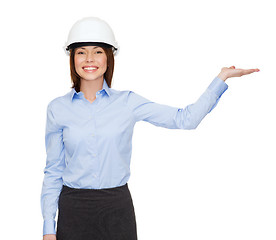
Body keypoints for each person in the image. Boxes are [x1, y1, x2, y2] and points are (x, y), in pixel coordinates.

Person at [40, 17, 260, 240]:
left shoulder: (128, 103)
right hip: (73, 209)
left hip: (116, 208)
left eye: (97, 51)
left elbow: (185, 119)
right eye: (81, 52)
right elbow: (53, 170)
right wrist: (49, 227)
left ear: (109, 57)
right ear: (72, 57)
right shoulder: (57, 109)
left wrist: (221, 78)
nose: (89, 59)